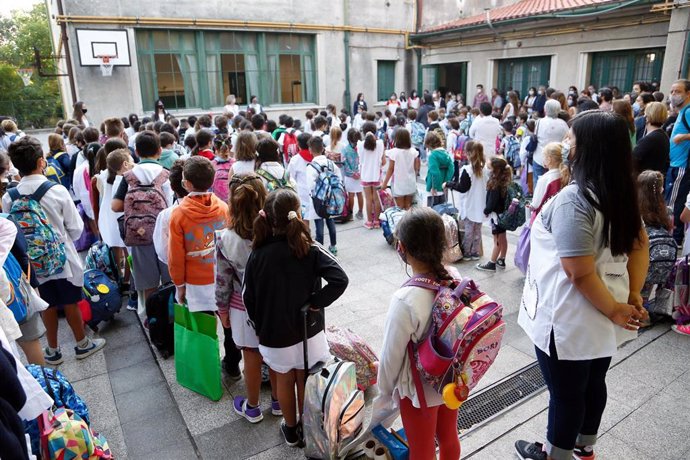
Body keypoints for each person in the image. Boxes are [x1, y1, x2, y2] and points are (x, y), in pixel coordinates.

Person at [515, 110, 648, 460]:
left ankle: (554, 454)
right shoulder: (620, 192)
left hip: (569, 318)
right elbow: (640, 246)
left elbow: (578, 271)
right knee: (591, 383)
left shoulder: (575, 199)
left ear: (587, 149)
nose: (565, 145)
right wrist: (630, 295)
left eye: (571, 139)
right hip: (605, 314)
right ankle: (584, 447)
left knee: (566, 393)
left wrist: (620, 308)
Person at [243, 188, 348, 447]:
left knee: (285, 379)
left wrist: (259, 325)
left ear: (266, 218)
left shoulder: (257, 254)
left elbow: (248, 297)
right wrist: (316, 303)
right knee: (305, 377)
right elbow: (340, 279)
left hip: (274, 335)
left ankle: (291, 431)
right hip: (308, 331)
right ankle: (310, 428)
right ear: (297, 214)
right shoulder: (310, 248)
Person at [3, 137, 105, 365]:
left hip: (31, 264)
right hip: (62, 260)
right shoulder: (56, 190)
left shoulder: (9, 197)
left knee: (45, 303)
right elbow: (76, 229)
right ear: (41, 162)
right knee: (70, 301)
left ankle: (53, 350)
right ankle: (82, 344)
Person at [377, 207, 462, 460]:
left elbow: (391, 356)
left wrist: (383, 391)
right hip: (450, 380)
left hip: (418, 391)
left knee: (422, 450)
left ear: (401, 248)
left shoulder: (405, 299)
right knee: (449, 437)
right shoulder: (454, 277)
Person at [215, 173, 279, 421]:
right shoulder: (278, 230)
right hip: (275, 305)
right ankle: (278, 401)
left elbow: (222, 282)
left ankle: (252, 406)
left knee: (250, 356)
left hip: (242, 309)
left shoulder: (225, 239)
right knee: (275, 355)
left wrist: (222, 312)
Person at [112, 131, 173, 303]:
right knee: (170, 281)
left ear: (136, 151)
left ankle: (152, 319)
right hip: (165, 234)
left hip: (139, 234)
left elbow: (115, 206)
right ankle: (171, 319)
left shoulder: (128, 176)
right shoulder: (166, 175)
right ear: (160, 151)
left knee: (148, 284)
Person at [169, 156, 229, 316]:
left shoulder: (178, 215)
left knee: (204, 333)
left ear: (187, 184)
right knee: (227, 325)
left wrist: (179, 285)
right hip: (223, 277)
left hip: (195, 283)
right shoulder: (223, 208)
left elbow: (175, 256)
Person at [444, 140, 487, 260]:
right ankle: (475, 252)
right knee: (477, 231)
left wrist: (449, 184)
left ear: (468, 153)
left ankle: (467, 252)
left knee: (468, 231)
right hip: (481, 205)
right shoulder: (485, 169)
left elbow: (462, 188)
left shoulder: (467, 170)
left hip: (469, 205)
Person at [665, 79, 690, 245]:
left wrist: (684, 136)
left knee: (673, 203)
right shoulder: (683, 111)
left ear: (688, 93)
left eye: (678, 91)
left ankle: (673, 240)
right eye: (672, 91)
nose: (674, 95)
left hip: (681, 166)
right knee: (671, 201)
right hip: (675, 164)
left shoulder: (688, 111)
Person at [476, 157, 512, 272]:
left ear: (494, 169)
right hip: (504, 215)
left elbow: (491, 202)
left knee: (496, 240)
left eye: (489, 165)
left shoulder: (495, 184)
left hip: (497, 216)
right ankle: (501, 259)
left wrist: (486, 211)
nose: (487, 165)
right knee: (503, 238)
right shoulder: (505, 180)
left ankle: (492, 263)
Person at [306, 136, 341, 255]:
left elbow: (310, 185)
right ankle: (333, 246)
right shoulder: (330, 163)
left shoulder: (311, 167)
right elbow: (338, 177)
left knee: (319, 225)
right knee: (330, 222)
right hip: (331, 198)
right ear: (322, 149)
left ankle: (320, 250)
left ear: (310, 150)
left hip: (318, 201)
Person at [529, 142, 569, 224]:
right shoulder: (566, 175)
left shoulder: (545, 179)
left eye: (544, 156)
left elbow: (535, 204)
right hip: (561, 218)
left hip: (544, 220)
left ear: (549, 159)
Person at [381, 128, 419, 210]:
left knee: (400, 207)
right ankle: (408, 222)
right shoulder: (413, 151)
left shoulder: (394, 152)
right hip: (411, 182)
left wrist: (385, 183)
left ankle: (401, 222)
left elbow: (390, 169)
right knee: (408, 206)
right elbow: (416, 168)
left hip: (399, 183)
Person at [533, 100, 569, 185]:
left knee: (539, 184)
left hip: (540, 157)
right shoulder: (564, 124)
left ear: (545, 109)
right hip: (557, 158)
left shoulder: (539, 122)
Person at [358, 122, 386, 229]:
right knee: (376, 198)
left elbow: (360, 159)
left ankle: (369, 222)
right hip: (376, 175)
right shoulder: (380, 143)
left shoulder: (360, 144)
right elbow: (383, 162)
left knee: (368, 199)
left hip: (365, 175)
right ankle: (377, 221)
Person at [632, 101, 669, 177]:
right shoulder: (663, 135)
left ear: (647, 117)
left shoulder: (650, 139)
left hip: (643, 181)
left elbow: (631, 159)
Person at [287, 133, 317, 225]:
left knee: (304, 217)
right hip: (316, 191)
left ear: (298, 144)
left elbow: (289, 177)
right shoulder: (316, 156)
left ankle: (306, 237)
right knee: (318, 216)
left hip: (302, 192)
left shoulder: (295, 159)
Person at [425, 131, 454, 207]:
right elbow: (451, 169)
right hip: (444, 187)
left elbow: (434, 172)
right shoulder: (446, 154)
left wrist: (435, 187)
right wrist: (446, 182)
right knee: (442, 210)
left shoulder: (433, 155)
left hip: (433, 187)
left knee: (432, 211)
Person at [342, 129, 363, 220]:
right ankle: (361, 211)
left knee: (351, 194)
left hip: (349, 176)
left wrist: (351, 173)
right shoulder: (362, 148)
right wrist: (359, 172)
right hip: (360, 174)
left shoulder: (345, 149)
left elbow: (344, 163)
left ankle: (350, 213)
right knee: (359, 194)